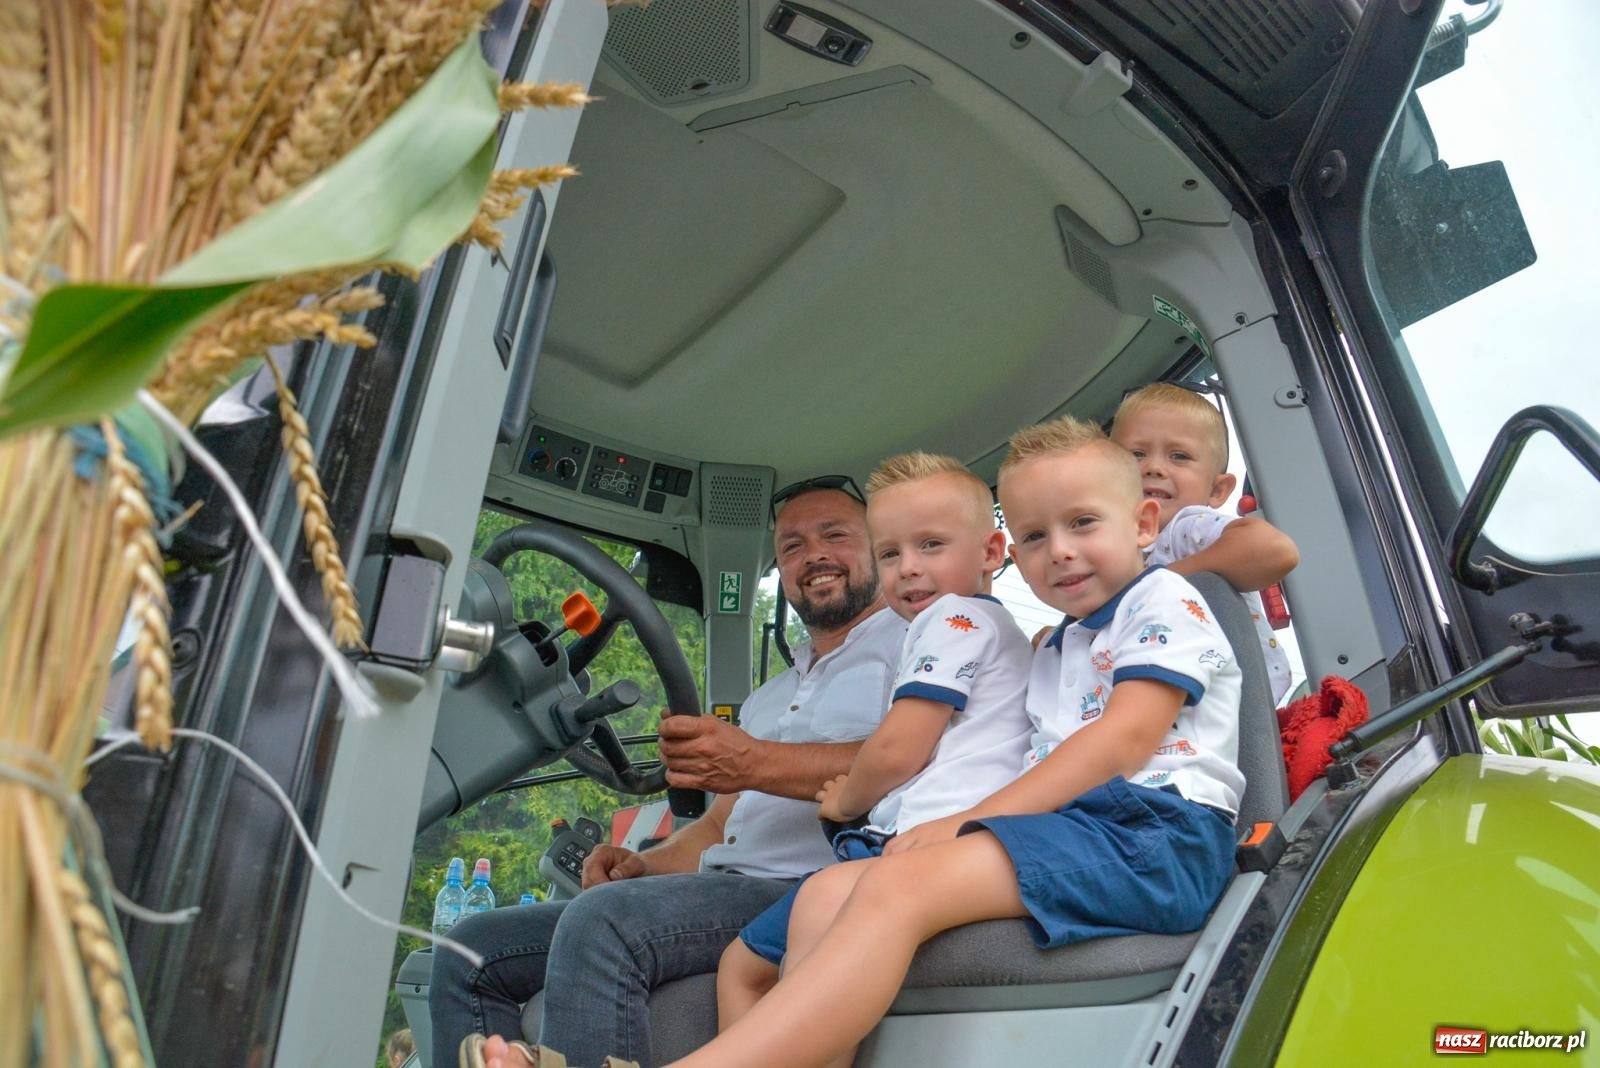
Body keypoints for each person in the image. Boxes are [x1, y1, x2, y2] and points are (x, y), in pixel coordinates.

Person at [624, 415, 1245, 1068]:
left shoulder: (1162, 600)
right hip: (1087, 834)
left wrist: (967, 822)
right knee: (822, 897)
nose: (1058, 550)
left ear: (1145, 525)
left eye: (1082, 524)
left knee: (897, 886)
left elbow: (1123, 740)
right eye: (1036, 535)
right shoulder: (1058, 646)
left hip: (1154, 837)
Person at [432, 478, 905, 1068]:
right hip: (727, 885)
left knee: (601, 924)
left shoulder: (914, 649)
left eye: (835, 535)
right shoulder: (771, 697)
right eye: (791, 547)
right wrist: (644, 864)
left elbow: (912, 763)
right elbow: (716, 831)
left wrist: (752, 760)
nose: (813, 556)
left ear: (883, 548)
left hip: (812, 888)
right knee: (469, 950)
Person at [716, 453, 1033, 1029]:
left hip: (924, 836)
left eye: (930, 546)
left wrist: (845, 800)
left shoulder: (952, 621)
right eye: (892, 554)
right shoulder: (974, 625)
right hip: (926, 837)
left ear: (991, 552)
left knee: (749, 965)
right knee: (756, 960)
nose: (908, 569)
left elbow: (897, 749)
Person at [1110, 381, 1299, 703]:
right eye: (1136, 454)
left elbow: (1275, 550)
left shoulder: (1185, 529)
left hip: (1229, 704)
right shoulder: (1116, 552)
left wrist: (1160, 580)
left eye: (1179, 456)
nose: (1154, 467)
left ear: (1217, 491)